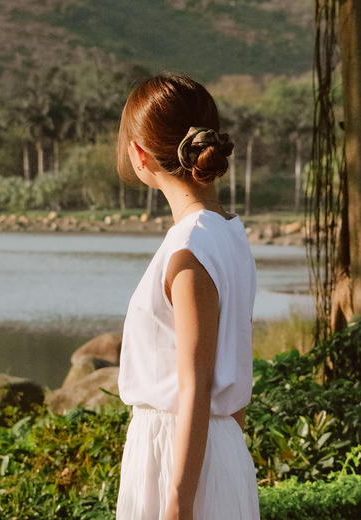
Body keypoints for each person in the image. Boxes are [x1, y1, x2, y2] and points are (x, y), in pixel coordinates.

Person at [115, 73, 260, 520]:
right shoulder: (228, 234)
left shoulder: (191, 245)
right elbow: (228, 378)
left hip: (176, 461)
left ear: (140, 153)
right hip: (213, 454)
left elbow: (194, 387)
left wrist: (178, 503)